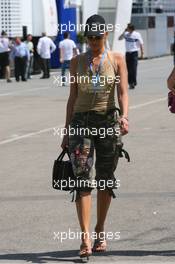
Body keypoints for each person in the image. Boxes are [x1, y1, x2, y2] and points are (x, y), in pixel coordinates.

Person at [61, 14, 129, 260]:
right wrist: (67, 130)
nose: (93, 41)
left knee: (105, 178)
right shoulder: (76, 61)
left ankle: (100, 229)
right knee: (81, 179)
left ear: (106, 35)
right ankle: (85, 236)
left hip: (108, 121)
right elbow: (72, 98)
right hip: (81, 123)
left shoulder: (117, 59)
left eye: (97, 37)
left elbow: (123, 93)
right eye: (89, 37)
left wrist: (125, 116)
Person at [119, 23, 144, 89]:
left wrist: (142, 53)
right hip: (128, 53)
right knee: (128, 69)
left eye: (128, 28)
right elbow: (119, 38)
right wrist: (124, 32)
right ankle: (130, 83)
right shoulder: (126, 34)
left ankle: (133, 82)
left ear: (131, 28)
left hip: (134, 53)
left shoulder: (137, 34)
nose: (127, 29)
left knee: (133, 68)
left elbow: (141, 44)